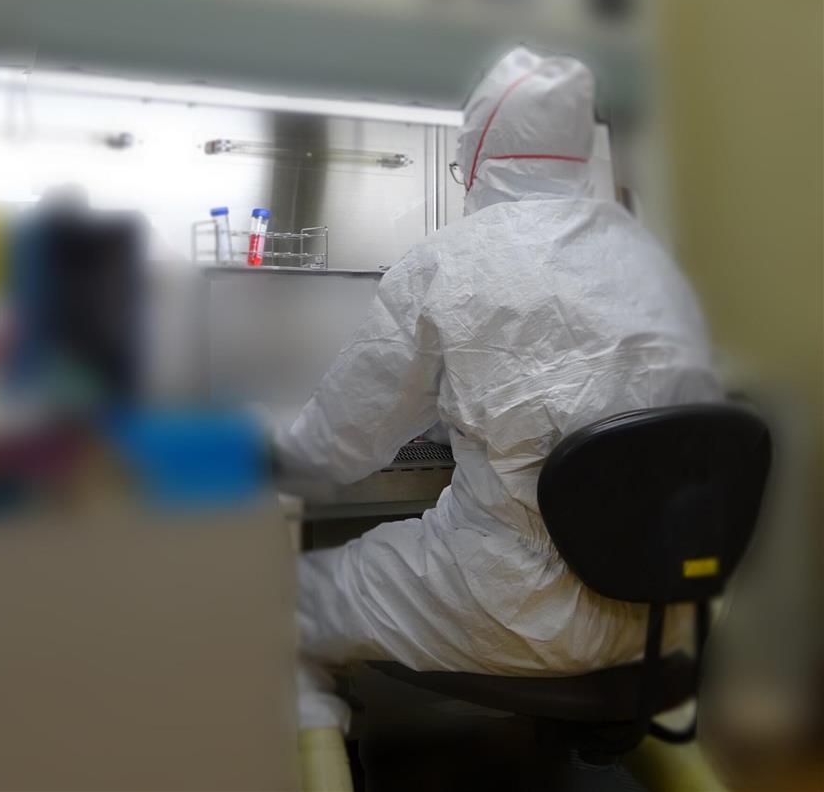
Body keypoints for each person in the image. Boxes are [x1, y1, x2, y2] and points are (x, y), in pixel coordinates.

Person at [277, 46, 721, 732]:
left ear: (479, 157)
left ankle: (319, 759)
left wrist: (257, 443)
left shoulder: (448, 263)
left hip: (517, 609)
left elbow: (337, 448)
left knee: (287, 598)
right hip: (662, 609)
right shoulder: (650, 261)